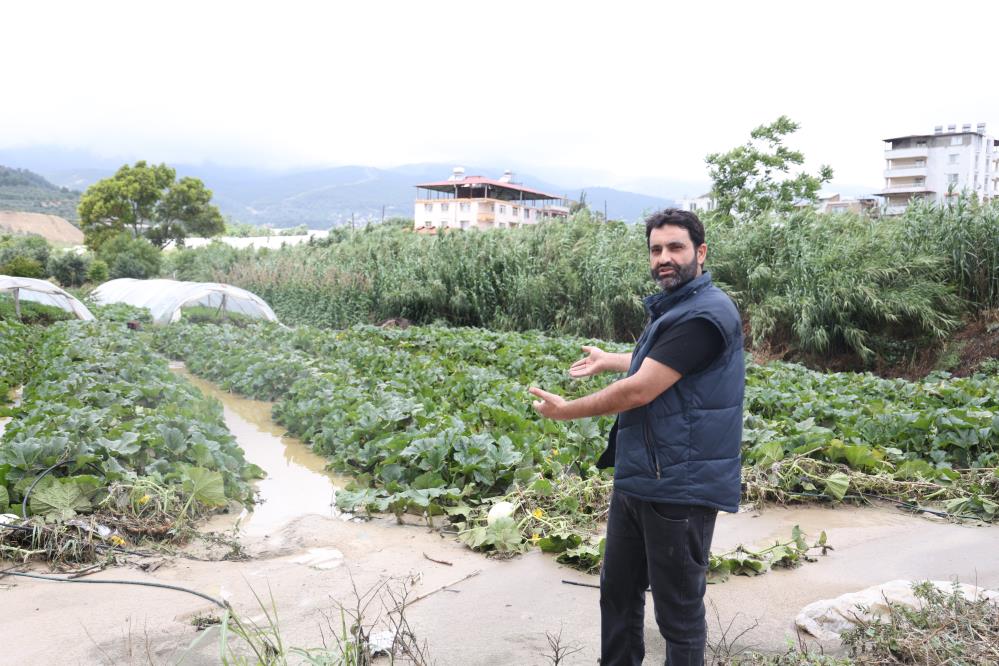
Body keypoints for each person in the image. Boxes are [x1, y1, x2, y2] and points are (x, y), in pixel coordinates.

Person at [529, 209, 744, 665]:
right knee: (618, 593)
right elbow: (664, 362)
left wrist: (567, 411)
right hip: (642, 474)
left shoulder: (705, 314)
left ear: (700, 253)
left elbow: (643, 387)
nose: (664, 258)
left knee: (678, 615)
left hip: (679, 487)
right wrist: (610, 359)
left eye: (675, 247)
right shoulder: (681, 307)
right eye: (656, 249)